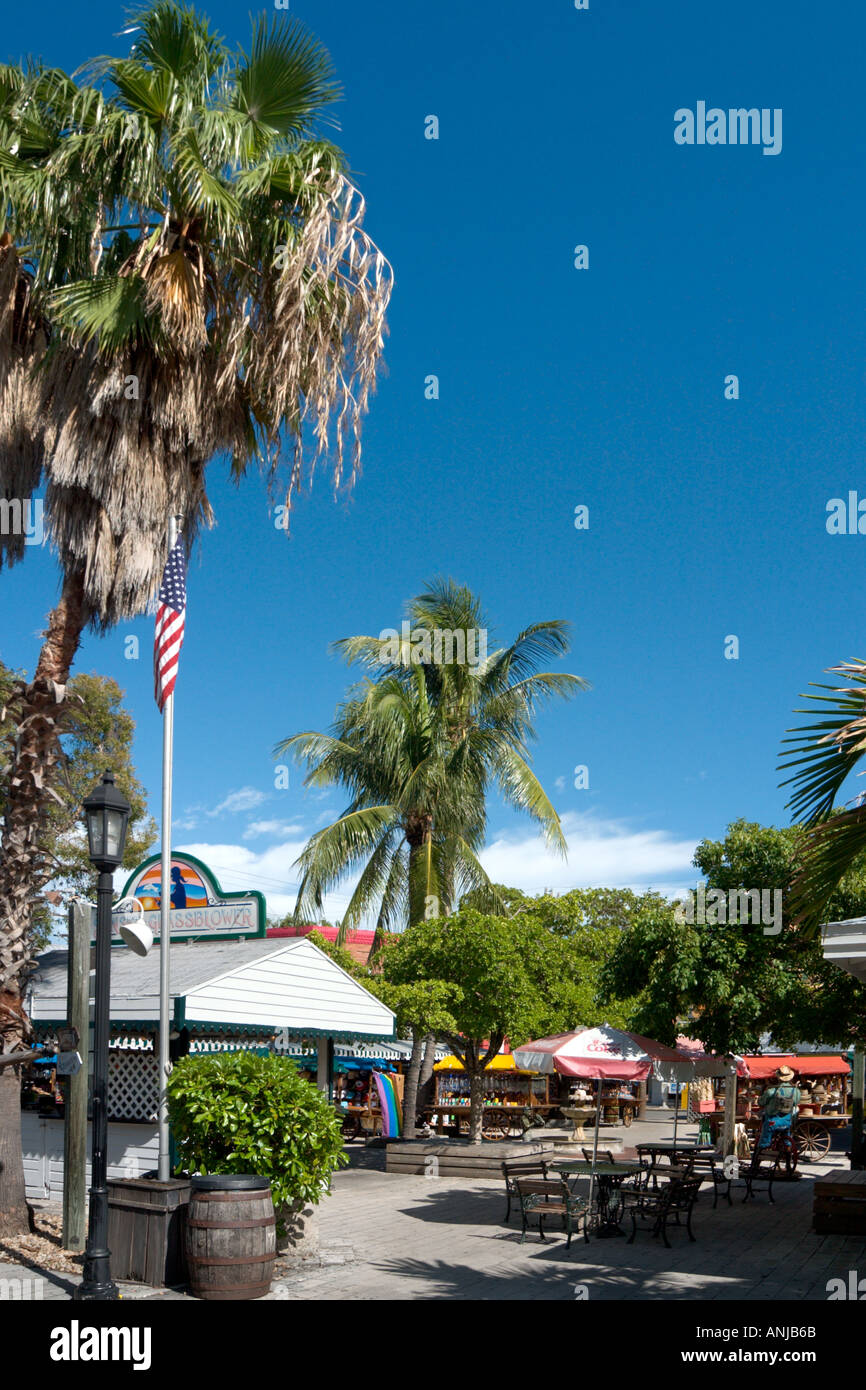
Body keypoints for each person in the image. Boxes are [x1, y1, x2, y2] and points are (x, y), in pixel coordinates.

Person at [758, 1065, 801, 1157]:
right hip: (787, 1121)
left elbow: (761, 1102)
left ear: (778, 1078)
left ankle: (757, 1159)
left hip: (772, 1121)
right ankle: (788, 1157)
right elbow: (795, 1103)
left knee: (763, 1139)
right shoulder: (796, 1091)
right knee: (787, 1137)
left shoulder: (772, 1091)